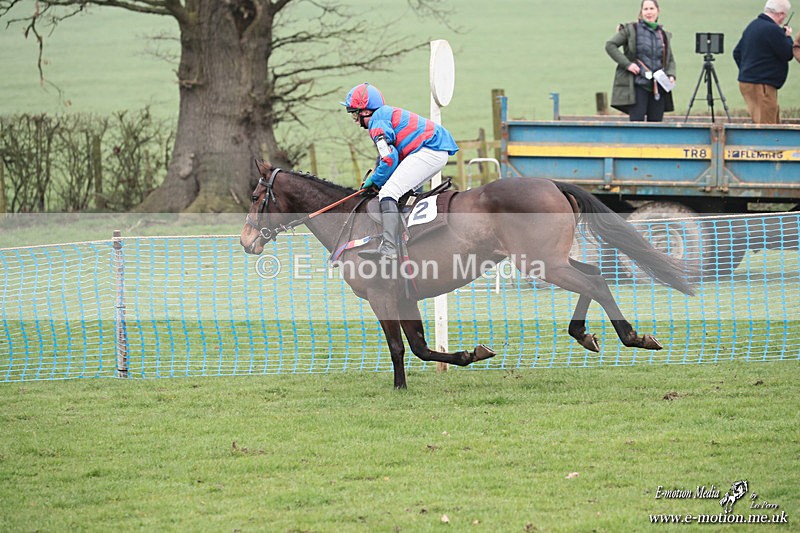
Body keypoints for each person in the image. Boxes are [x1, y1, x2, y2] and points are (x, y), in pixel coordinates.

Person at [341, 82, 459, 261]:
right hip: (433, 149)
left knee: (388, 193)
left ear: (365, 111)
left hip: (429, 150)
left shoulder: (377, 123)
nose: (356, 120)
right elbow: (391, 157)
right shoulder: (383, 115)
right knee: (402, 192)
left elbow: (389, 158)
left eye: (354, 114)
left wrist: (375, 180)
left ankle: (390, 248)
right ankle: (407, 238)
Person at [605, 0, 677, 122]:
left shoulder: (663, 34)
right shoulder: (631, 29)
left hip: (658, 86)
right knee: (636, 125)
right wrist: (627, 64)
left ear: (658, 11)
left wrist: (671, 75)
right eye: (646, 9)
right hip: (637, 85)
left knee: (656, 127)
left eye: (652, 9)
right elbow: (610, 45)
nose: (649, 12)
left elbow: (669, 59)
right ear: (641, 12)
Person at [732, 0, 794, 124]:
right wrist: (788, 37)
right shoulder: (773, 30)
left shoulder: (752, 26)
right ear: (781, 14)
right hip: (762, 86)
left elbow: (736, 52)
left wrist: (748, 72)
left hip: (747, 83)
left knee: (762, 121)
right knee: (767, 127)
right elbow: (787, 54)